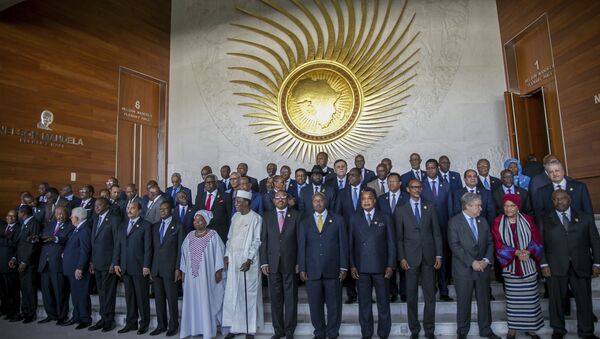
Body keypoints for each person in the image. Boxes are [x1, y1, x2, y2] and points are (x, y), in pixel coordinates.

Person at [540, 190, 600, 339]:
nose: (559, 202)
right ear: (552, 201)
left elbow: (595, 242)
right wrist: (543, 264)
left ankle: (586, 332)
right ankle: (558, 330)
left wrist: (597, 263)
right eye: (555, 199)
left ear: (569, 199)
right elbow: (540, 244)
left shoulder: (585, 217)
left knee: (584, 301)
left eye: (562, 198)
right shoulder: (544, 219)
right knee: (556, 302)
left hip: (581, 264)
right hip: (555, 266)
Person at [490, 194, 543, 339]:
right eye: (506, 206)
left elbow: (536, 239)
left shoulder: (527, 219)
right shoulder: (497, 221)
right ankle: (512, 328)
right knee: (513, 301)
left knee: (530, 299)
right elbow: (498, 244)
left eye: (512, 205)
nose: (508, 208)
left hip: (528, 265)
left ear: (517, 206)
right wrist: (515, 252)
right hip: (511, 267)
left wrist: (529, 251)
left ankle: (531, 329)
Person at [448, 193, 500, 339]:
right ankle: (462, 332)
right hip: (464, 269)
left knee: (484, 301)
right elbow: (455, 245)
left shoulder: (482, 221)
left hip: (483, 269)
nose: (481, 208)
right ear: (467, 206)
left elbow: (490, 242)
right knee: (464, 302)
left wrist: (486, 260)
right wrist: (472, 262)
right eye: (478, 205)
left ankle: (486, 330)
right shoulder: (454, 222)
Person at [396, 179, 443, 339]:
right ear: (408, 189)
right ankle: (414, 330)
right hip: (410, 258)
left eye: (419, 187)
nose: (417, 190)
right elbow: (399, 238)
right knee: (411, 295)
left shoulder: (429, 207)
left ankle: (429, 330)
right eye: (413, 187)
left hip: (429, 257)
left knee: (430, 295)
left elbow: (437, 233)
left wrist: (438, 254)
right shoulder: (401, 209)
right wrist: (401, 257)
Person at [298, 192, 348, 339]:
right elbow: (302, 247)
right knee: (315, 305)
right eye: (315, 201)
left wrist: (344, 267)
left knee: (334, 305)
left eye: (320, 200)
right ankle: (319, 332)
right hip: (312, 271)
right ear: (311, 203)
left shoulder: (338, 220)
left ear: (325, 202)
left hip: (333, 270)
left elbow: (343, 245)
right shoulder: (305, 222)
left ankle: (332, 332)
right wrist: (302, 267)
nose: (318, 203)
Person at [349, 189, 395, 339]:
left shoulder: (385, 217)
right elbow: (350, 245)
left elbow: (391, 243)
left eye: (369, 198)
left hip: (381, 268)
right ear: (360, 201)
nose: (366, 201)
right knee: (364, 304)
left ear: (375, 200)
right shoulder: (354, 218)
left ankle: (383, 334)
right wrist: (352, 265)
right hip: (361, 268)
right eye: (363, 199)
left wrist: (390, 265)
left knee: (383, 303)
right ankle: (366, 334)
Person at [260, 190, 301, 339]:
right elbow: (263, 241)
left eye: (284, 197)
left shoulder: (296, 215)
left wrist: (299, 262)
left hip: (290, 263)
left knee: (290, 298)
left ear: (288, 199)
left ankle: (289, 330)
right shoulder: (266, 216)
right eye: (278, 197)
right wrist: (263, 261)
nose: (281, 199)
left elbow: (300, 241)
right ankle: (278, 330)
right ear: (273, 200)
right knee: (276, 299)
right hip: (272, 264)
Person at [223, 190, 263, 339]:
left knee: (249, 295)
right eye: (235, 201)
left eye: (238, 201)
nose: (236, 204)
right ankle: (234, 328)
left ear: (247, 202)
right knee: (234, 293)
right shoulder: (235, 216)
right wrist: (227, 255)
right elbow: (229, 237)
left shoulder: (256, 218)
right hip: (234, 259)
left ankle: (249, 329)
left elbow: (257, 241)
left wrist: (249, 259)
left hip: (248, 261)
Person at [180, 210, 225, 339]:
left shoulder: (213, 235)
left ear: (206, 221)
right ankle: (193, 329)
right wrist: (183, 271)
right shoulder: (189, 236)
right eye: (195, 220)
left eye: (200, 220)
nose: (197, 222)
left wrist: (218, 270)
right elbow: (183, 256)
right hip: (191, 277)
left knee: (207, 300)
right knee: (192, 301)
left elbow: (219, 253)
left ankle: (207, 330)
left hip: (207, 276)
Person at [114, 201, 153, 335]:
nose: (129, 210)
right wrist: (116, 263)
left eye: (133, 208)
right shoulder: (122, 225)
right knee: (129, 298)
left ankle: (144, 324)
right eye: (128, 208)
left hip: (140, 267)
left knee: (142, 298)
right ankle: (131, 323)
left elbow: (148, 248)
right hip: (125, 267)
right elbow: (118, 246)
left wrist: (147, 265)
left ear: (139, 211)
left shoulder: (146, 225)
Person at [420, 159, 454, 302]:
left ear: (438, 168)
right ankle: (431, 289)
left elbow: (450, 208)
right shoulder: (420, 185)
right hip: (427, 230)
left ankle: (444, 290)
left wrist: (451, 227)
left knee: (443, 260)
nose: (430, 170)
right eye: (427, 168)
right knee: (428, 260)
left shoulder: (445, 184)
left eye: (433, 168)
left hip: (443, 228)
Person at [150, 200, 184, 336]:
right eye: (161, 209)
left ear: (172, 211)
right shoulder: (155, 226)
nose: (162, 211)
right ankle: (161, 325)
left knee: (171, 299)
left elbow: (180, 249)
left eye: (165, 209)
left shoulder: (178, 226)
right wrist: (151, 267)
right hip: (156, 268)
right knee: (159, 300)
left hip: (171, 269)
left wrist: (178, 268)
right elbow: (152, 248)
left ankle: (173, 325)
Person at [89, 197, 121, 332]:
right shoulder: (96, 218)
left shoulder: (114, 219)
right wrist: (91, 261)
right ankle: (103, 318)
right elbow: (93, 242)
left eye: (100, 205)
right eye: (95, 205)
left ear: (107, 206)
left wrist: (114, 262)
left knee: (109, 293)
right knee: (101, 293)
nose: (96, 207)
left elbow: (117, 242)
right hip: (97, 262)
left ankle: (109, 320)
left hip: (108, 263)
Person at [37, 205, 74, 325]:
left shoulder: (71, 226)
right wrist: (37, 238)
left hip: (57, 263)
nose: (60, 215)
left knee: (60, 291)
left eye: (62, 213)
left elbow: (69, 240)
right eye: (58, 213)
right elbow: (43, 237)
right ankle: (51, 315)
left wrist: (55, 238)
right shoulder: (50, 224)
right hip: (45, 262)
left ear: (67, 214)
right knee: (46, 291)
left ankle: (61, 316)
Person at [377, 172, 409, 302]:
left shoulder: (407, 197)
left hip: (404, 237)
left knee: (403, 266)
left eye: (394, 181)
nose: (391, 184)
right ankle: (392, 292)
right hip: (387, 237)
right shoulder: (381, 198)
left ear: (400, 183)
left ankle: (404, 292)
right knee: (389, 265)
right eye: (389, 182)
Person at [333, 167, 363, 304]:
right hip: (347, 232)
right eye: (349, 175)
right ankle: (351, 294)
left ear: (360, 177)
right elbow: (338, 213)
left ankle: (364, 293)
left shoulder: (368, 191)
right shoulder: (341, 192)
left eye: (353, 175)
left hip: (365, 233)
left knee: (364, 263)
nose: (350, 177)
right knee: (350, 261)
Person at [9, 205, 40, 323]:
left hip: (29, 262)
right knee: (24, 288)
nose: (17, 215)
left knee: (30, 288)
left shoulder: (34, 223)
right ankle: (25, 311)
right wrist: (15, 258)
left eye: (18, 212)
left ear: (23, 213)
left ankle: (31, 314)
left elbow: (33, 245)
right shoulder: (24, 223)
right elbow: (20, 244)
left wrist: (24, 261)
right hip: (21, 261)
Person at [62, 207, 92, 329]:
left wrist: (80, 268)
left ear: (77, 218)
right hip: (71, 268)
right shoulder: (77, 229)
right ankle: (76, 316)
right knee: (75, 295)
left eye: (72, 216)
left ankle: (85, 319)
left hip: (78, 269)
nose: (70, 218)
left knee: (82, 294)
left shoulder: (84, 230)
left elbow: (85, 251)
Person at [197, 174, 231, 243]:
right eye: (206, 182)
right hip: (203, 232)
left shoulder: (225, 196)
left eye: (210, 182)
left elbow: (229, 215)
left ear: (216, 183)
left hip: (220, 232)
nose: (207, 184)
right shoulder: (200, 196)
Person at [0, 210, 21, 319]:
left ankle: (14, 311)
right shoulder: (3, 227)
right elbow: (6, 241)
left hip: (10, 263)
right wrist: (5, 240)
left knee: (12, 290)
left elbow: (14, 243)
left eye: (13, 216)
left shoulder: (18, 228)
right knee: (2, 290)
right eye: (8, 216)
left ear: (16, 218)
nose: (10, 218)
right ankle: (4, 309)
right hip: (1, 263)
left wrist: (14, 258)